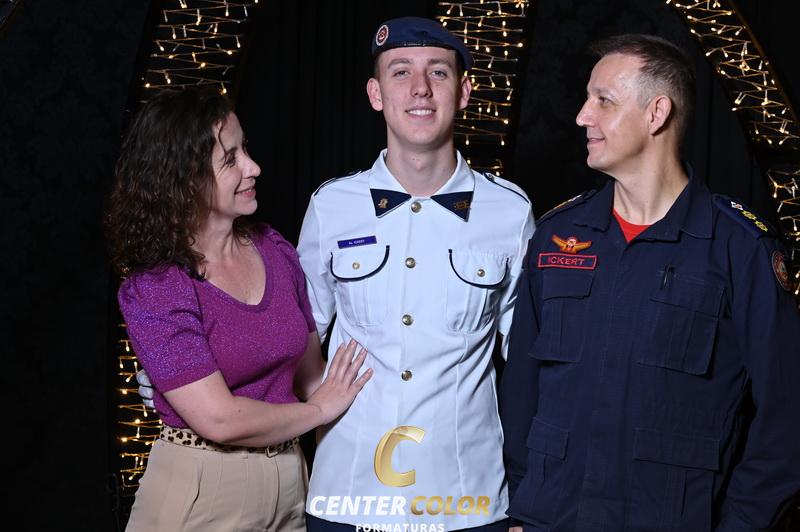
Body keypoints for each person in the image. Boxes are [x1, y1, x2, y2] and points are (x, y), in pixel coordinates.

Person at [501, 34, 800, 532]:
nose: (582, 116)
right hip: (553, 520)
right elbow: (521, 393)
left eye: (604, 101)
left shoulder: (739, 248)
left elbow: (787, 418)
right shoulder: (556, 237)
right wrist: (521, 511)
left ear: (657, 113)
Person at [298, 17, 535, 532]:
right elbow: (299, 334)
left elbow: (529, 360)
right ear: (376, 94)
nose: (420, 88)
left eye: (438, 72)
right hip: (348, 494)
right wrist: (315, 406)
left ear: (464, 92)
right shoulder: (331, 206)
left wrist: (533, 493)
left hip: (467, 501)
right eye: (401, 71)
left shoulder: (511, 212)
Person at [108, 87, 372, 532]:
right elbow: (220, 419)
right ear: (185, 179)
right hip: (202, 488)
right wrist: (318, 413)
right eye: (230, 159)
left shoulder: (275, 249)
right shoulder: (156, 287)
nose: (253, 167)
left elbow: (311, 378)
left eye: (245, 148)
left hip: (291, 480)